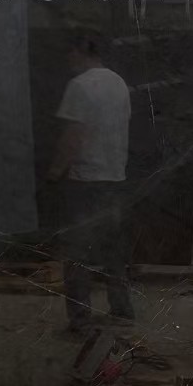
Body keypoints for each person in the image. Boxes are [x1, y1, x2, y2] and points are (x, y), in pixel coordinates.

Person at [46, 30, 134, 330]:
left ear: (82, 50)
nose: (68, 59)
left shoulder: (79, 86)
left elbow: (73, 136)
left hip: (85, 181)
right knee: (113, 251)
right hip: (115, 177)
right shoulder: (119, 83)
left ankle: (80, 320)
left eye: (71, 52)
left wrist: (55, 172)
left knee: (76, 254)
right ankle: (122, 311)